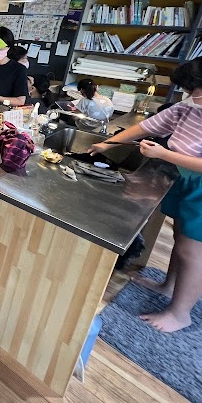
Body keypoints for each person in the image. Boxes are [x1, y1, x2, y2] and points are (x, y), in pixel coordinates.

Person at [89, 59, 202, 332]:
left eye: (195, 90)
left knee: (192, 251)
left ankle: (181, 314)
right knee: (180, 240)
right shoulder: (189, 106)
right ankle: (168, 287)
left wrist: (163, 153)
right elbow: (148, 126)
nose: (191, 95)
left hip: (199, 187)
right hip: (184, 178)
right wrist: (108, 143)